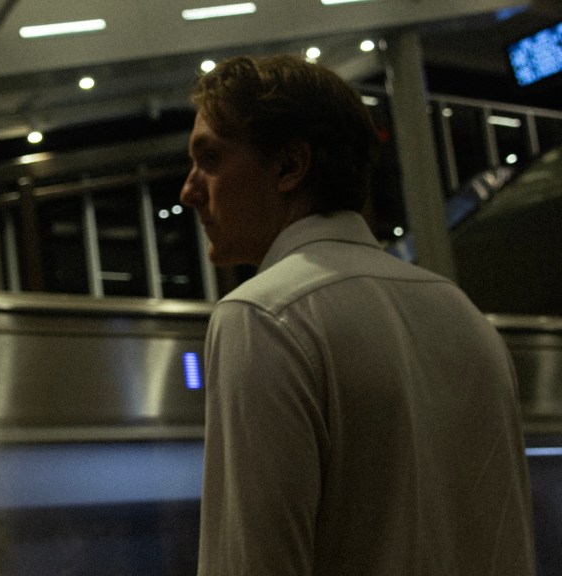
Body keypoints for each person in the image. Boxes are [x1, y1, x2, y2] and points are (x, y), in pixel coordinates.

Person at [180, 54, 535, 575]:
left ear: (289, 166)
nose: (189, 190)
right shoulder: (463, 315)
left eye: (209, 158)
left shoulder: (263, 317)